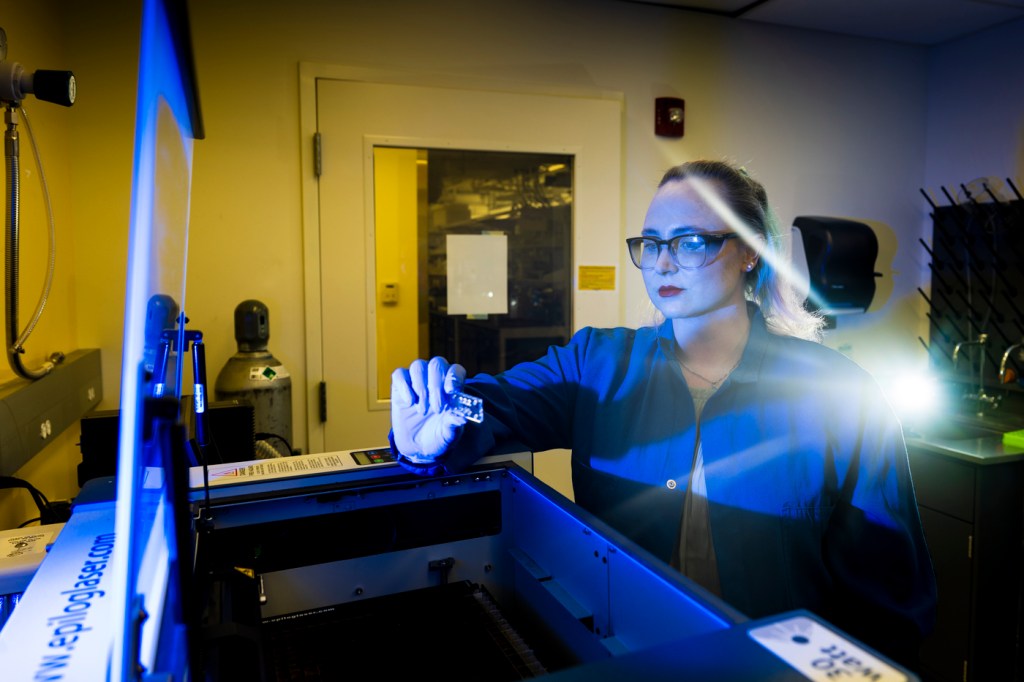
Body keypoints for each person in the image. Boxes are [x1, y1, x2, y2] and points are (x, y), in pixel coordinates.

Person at [389, 159, 937, 667]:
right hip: (624, 658)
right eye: (651, 243)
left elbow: (889, 593)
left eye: (691, 241)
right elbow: (495, 406)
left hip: (771, 670)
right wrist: (426, 431)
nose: (664, 262)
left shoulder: (840, 393)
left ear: (750, 252)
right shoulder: (597, 362)